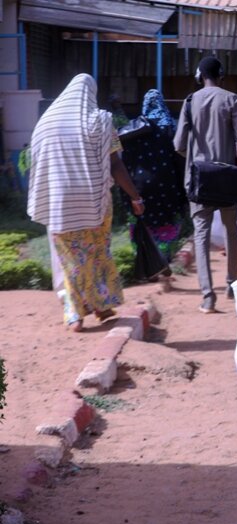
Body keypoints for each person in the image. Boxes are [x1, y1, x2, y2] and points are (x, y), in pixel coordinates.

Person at [27, 74, 145, 332]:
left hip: (59, 205)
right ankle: (102, 306)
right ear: (90, 94)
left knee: (70, 260)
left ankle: (75, 315)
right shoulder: (101, 121)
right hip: (94, 203)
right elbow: (115, 164)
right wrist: (135, 196)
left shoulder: (44, 124)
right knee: (98, 252)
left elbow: (35, 163)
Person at [174, 56, 237, 313]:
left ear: (200, 76)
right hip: (228, 178)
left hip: (199, 179)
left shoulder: (189, 101)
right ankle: (231, 283)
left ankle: (208, 296)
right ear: (221, 75)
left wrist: (196, 160)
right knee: (231, 231)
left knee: (201, 235)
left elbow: (178, 144)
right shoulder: (231, 99)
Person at [121, 89, 187, 263]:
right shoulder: (171, 128)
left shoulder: (133, 129)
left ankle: (147, 261)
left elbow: (125, 162)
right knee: (166, 224)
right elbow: (179, 161)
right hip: (167, 188)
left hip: (139, 188)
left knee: (144, 223)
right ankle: (164, 257)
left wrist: (126, 194)